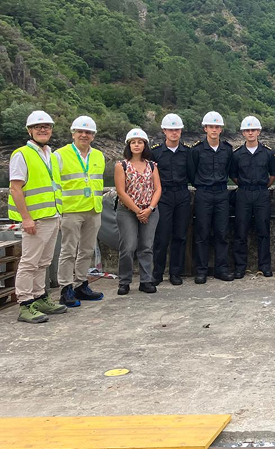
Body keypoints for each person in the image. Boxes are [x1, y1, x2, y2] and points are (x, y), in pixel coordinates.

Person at [7, 111, 67, 323]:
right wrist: (26, 219)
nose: (43, 130)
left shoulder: (50, 155)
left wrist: (59, 215)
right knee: (29, 262)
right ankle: (25, 304)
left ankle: (40, 297)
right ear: (30, 130)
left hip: (52, 216)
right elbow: (16, 189)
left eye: (47, 127)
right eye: (38, 127)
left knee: (44, 262)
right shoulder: (21, 154)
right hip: (35, 219)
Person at [56, 115, 106, 307]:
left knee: (86, 250)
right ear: (73, 133)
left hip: (93, 209)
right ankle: (65, 288)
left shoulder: (99, 156)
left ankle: (80, 285)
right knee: (68, 251)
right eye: (80, 132)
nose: (84, 135)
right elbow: (54, 185)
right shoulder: (59, 155)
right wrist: (58, 210)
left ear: (93, 136)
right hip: (71, 210)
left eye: (88, 132)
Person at [114, 129, 162, 295]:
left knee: (146, 246)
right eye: (133, 142)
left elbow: (158, 189)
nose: (136, 145)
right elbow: (121, 191)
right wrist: (138, 211)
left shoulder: (152, 165)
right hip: (127, 211)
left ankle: (146, 280)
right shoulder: (122, 165)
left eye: (140, 142)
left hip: (150, 210)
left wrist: (149, 209)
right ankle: (124, 281)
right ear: (128, 145)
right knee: (128, 246)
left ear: (145, 145)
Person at [230, 116, 275, 279]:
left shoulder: (267, 153)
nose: (250, 133)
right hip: (243, 193)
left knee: (263, 230)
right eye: (247, 130)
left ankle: (264, 266)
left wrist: (263, 186)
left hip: (261, 193)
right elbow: (234, 175)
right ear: (243, 133)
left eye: (253, 130)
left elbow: (274, 174)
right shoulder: (236, 155)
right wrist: (245, 185)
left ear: (258, 132)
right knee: (240, 231)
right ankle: (240, 267)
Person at [190, 111, 234, 284]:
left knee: (222, 232)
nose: (214, 130)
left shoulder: (227, 150)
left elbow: (229, 171)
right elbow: (192, 174)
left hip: (222, 193)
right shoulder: (196, 150)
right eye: (211, 127)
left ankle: (221, 269)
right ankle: (201, 271)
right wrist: (202, 185)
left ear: (221, 129)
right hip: (204, 193)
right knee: (202, 232)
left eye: (217, 127)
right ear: (205, 128)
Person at [151, 114, 191, 286]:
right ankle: (157, 273)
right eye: (170, 129)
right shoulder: (155, 152)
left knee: (180, 235)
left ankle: (176, 272)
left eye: (177, 130)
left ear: (181, 131)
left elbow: (193, 174)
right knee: (162, 236)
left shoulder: (188, 152)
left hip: (182, 194)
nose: (174, 133)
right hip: (163, 195)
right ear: (164, 131)